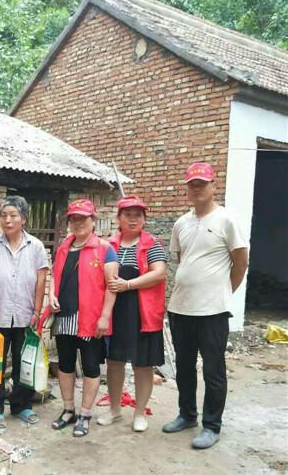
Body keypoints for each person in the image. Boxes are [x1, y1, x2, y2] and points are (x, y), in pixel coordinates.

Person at [163, 163, 248, 449]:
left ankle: (212, 425)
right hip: (181, 308)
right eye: (192, 184)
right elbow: (182, 260)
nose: (197, 188)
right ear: (187, 189)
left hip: (212, 311)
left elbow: (241, 262)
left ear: (214, 185)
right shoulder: (181, 223)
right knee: (184, 367)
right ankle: (187, 415)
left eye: (202, 183)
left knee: (213, 370)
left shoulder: (227, 220)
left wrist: (223, 291)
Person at [0, 196, 49, 428]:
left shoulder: (36, 246)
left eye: (13, 215)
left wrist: (37, 311)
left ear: (23, 219)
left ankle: (22, 405)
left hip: (25, 315)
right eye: (4, 215)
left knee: (23, 363)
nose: (7, 220)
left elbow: (41, 280)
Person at [97, 196, 167, 432]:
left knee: (143, 364)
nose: (133, 219)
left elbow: (159, 273)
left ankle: (139, 413)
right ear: (118, 218)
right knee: (114, 362)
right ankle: (115, 410)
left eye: (138, 215)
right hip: (114, 311)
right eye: (127, 214)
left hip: (143, 312)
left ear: (144, 219)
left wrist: (127, 285)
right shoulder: (108, 245)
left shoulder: (151, 244)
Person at [49, 199, 118, 437]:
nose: (78, 223)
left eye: (83, 218)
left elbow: (112, 286)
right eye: (74, 219)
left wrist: (105, 317)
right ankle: (68, 409)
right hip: (65, 317)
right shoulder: (63, 249)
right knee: (65, 364)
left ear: (93, 221)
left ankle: (85, 413)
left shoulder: (105, 249)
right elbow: (55, 276)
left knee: (90, 367)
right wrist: (51, 294)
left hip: (91, 319)